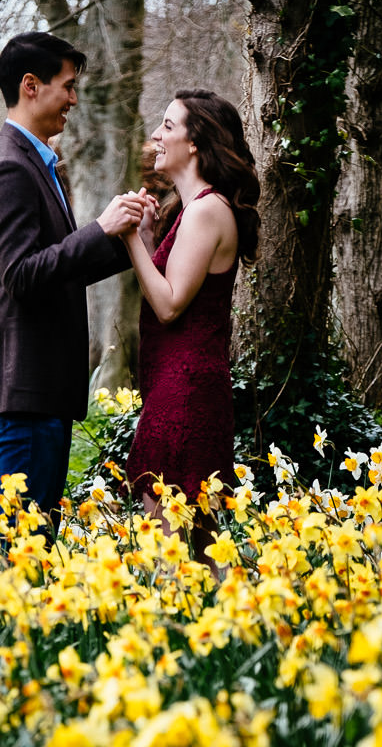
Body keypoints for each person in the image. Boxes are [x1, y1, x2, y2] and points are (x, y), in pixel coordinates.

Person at [0, 31, 143, 539]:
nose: (72, 98)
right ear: (30, 85)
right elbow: (21, 275)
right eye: (67, 86)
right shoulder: (6, 168)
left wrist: (125, 239)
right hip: (25, 388)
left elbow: (55, 268)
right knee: (21, 545)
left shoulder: (35, 162)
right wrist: (99, 229)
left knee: (35, 544)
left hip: (42, 388)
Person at [121, 89, 260, 561]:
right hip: (184, 384)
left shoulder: (204, 210)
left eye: (167, 126)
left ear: (196, 141)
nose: (156, 136)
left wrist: (128, 240)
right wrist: (143, 236)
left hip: (186, 390)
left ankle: (184, 627)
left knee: (170, 549)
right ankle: (219, 626)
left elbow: (170, 305)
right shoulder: (197, 208)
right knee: (199, 543)